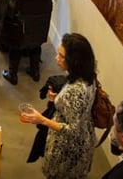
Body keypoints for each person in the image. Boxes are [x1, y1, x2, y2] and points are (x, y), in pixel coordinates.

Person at [20, 33, 97, 179]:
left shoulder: (75, 91)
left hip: (68, 150)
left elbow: (73, 130)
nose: (56, 59)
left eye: (62, 56)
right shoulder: (88, 76)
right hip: (85, 136)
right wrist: (58, 99)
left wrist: (41, 119)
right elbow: (79, 108)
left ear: (74, 60)